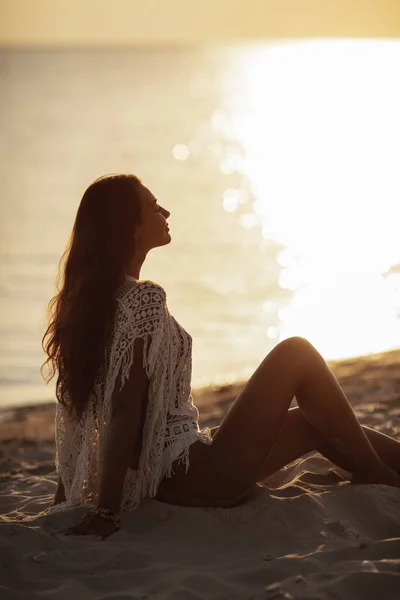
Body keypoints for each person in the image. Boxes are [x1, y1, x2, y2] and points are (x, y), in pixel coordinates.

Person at [41, 173, 400, 541]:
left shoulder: (92, 306)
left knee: (314, 423)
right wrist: (105, 511)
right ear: (129, 227)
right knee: (297, 352)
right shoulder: (141, 300)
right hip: (196, 473)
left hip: (176, 473)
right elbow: (122, 408)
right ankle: (375, 473)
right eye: (152, 206)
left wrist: (63, 499)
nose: (165, 210)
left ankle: (382, 469)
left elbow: (83, 410)